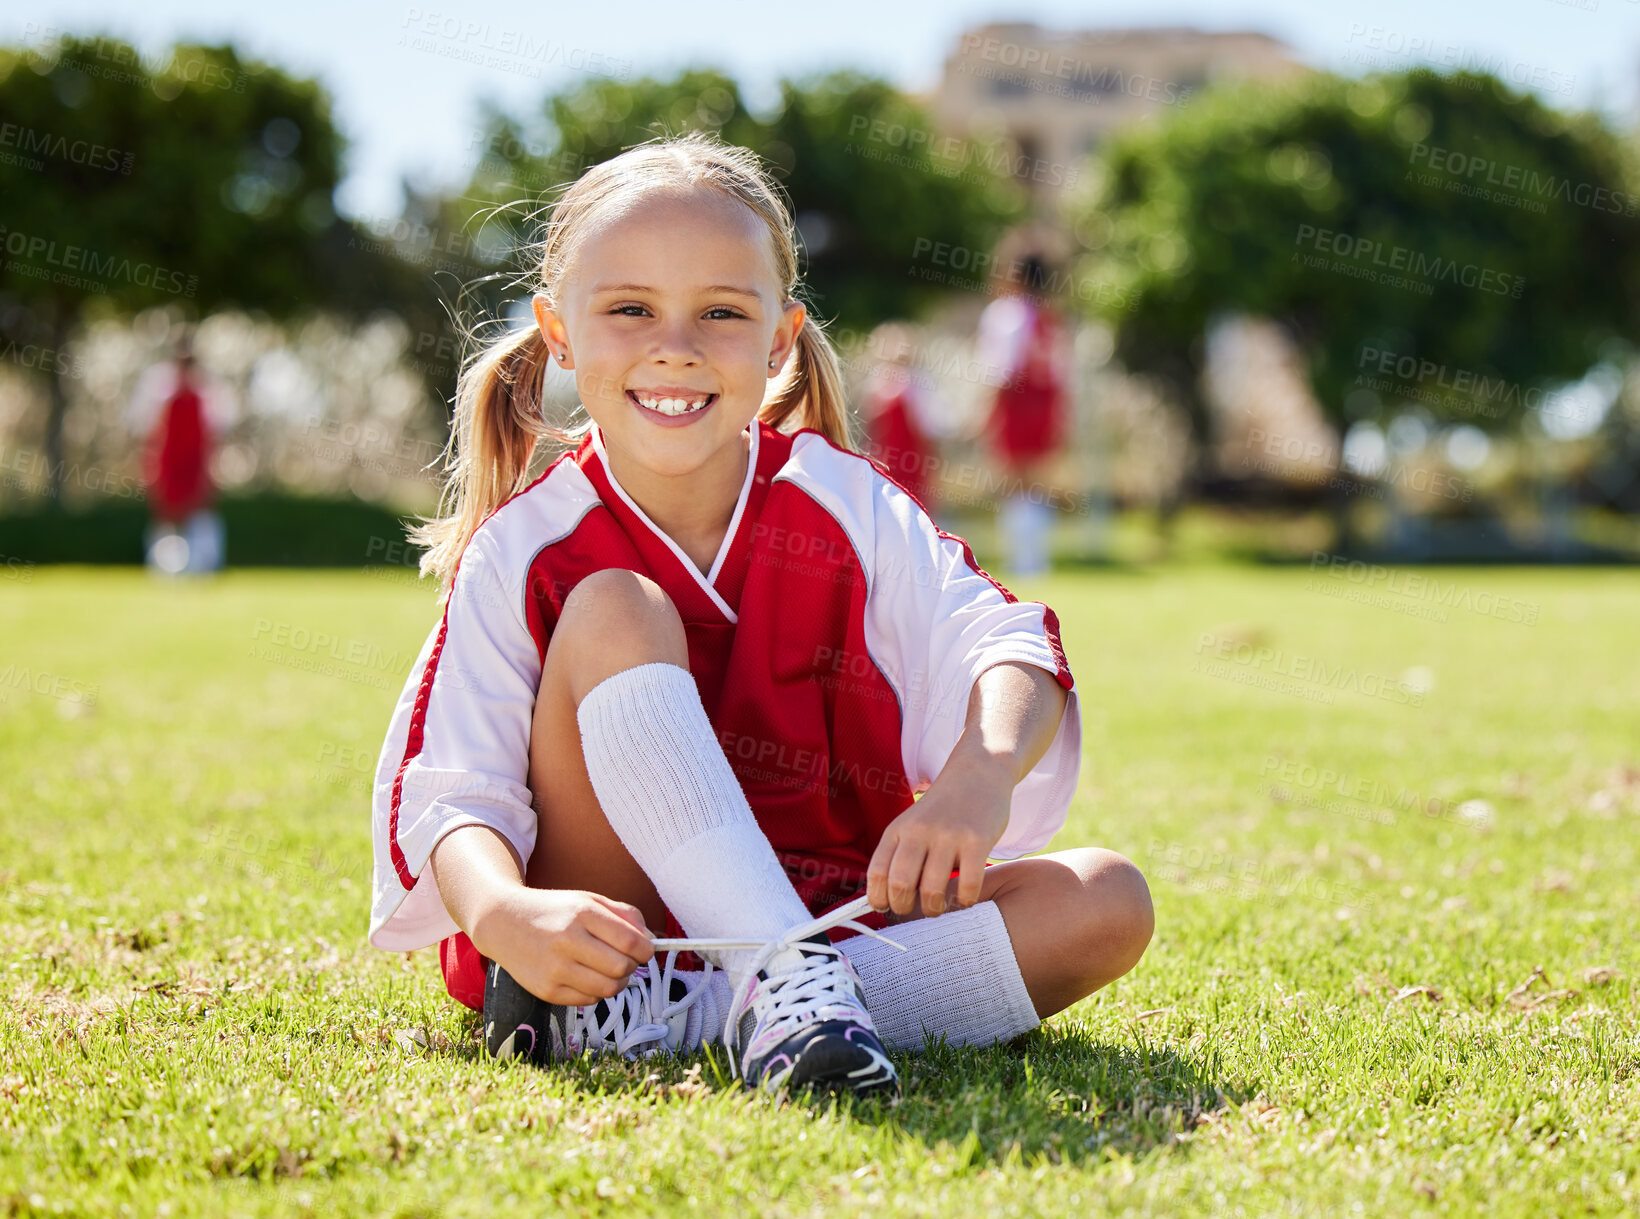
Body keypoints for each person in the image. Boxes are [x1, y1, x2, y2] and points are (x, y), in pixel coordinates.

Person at [367, 133, 1153, 1097]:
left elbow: (1004, 642)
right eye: (629, 309)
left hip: (831, 912)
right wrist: (499, 916)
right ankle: (767, 989)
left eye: (721, 312)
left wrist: (975, 784)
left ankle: (741, 1008)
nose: (675, 345)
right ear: (558, 331)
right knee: (616, 605)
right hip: (618, 933)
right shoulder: (529, 543)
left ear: (780, 338)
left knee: (1107, 898)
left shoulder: (845, 503)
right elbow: (453, 788)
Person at [976, 252, 1073, 576]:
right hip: (1046, 407)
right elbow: (1063, 372)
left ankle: (1022, 561)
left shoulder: (1007, 315)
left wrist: (985, 414)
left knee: (1014, 485)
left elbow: (1000, 371)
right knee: (1036, 486)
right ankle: (1037, 559)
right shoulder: (1052, 318)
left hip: (1015, 407)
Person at [129, 335, 228, 575]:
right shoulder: (158, 390)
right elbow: (147, 432)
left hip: (195, 461)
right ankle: (163, 565)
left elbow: (216, 432)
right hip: (169, 460)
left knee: (200, 510)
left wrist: (212, 468)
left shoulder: (208, 390)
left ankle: (204, 563)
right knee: (167, 513)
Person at [860, 322, 941, 513]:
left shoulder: (917, 383)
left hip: (911, 460)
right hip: (886, 459)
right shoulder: (878, 380)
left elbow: (927, 427)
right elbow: (872, 426)